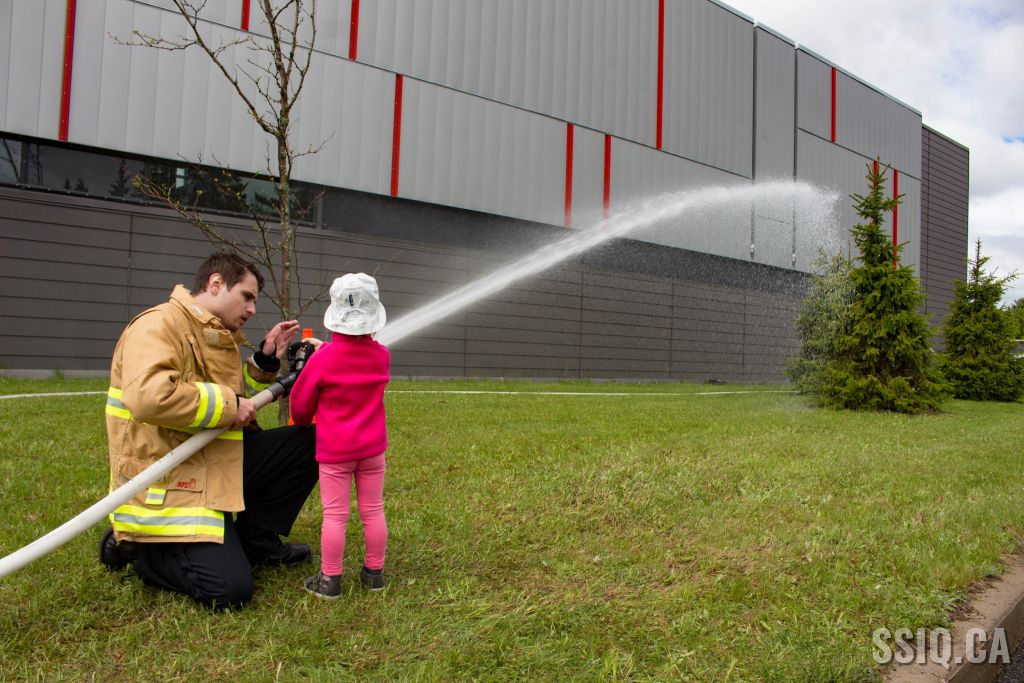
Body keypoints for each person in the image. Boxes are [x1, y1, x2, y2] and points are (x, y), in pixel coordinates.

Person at [99, 252, 319, 609]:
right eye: (247, 297)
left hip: (215, 457)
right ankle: (140, 551)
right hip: (173, 476)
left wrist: (263, 361)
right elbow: (151, 397)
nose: (252, 309)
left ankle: (256, 540)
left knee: (311, 442)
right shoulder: (158, 325)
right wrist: (229, 406)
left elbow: (227, 395)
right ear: (216, 283)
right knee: (229, 590)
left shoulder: (210, 332)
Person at [289, 273, 391, 598]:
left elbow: (300, 405)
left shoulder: (323, 359)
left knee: (335, 515)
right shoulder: (382, 355)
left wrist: (319, 356)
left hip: (335, 453)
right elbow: (355, 358)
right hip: (372, 451)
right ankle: (374, 574)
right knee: (372, 510)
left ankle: (330, 580)